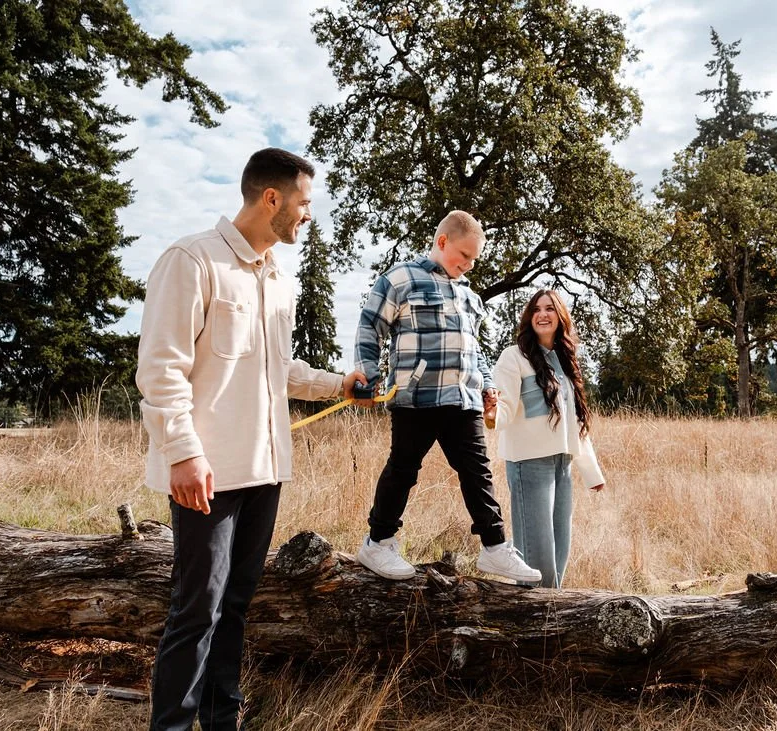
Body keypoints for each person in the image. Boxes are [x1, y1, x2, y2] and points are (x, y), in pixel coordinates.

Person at [136, 147, 367, 731]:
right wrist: (183, 453)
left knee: (234, 607)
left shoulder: (279, 282)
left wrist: (339, 383)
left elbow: (279, 369)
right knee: (197, 611)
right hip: (206, 474)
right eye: (304, 203)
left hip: (265, 471)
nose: (307, 215)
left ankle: (221, 720)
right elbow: (161, 369)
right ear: (273, 198)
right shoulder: (191, 260)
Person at [353, 210, 541, 584]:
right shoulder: (401, 279)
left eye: (474, 259)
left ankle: (495, 548)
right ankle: (378, 541)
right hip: (415, 396)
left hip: (463, 399)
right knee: (403, 469)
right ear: (442, 242)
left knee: (477, 472)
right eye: (464, 256)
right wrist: (368, 374)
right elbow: (369, 327)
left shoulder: (468, 295)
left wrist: (487, 385)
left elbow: (476, 349)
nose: (468, 265)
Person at [489, 289, 605, 588]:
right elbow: (503, 406)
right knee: (536, 554)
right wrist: (491, 416)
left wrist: (591, 473)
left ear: (560, 317)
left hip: (562, 463)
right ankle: (538, 621)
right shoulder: (513, 357)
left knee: (559, 549)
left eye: (550, 309)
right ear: (529, 317)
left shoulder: (565, 362)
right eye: (537, 309)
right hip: (529, 463)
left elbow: (576, 422)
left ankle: (551, 616)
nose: (543, 314)